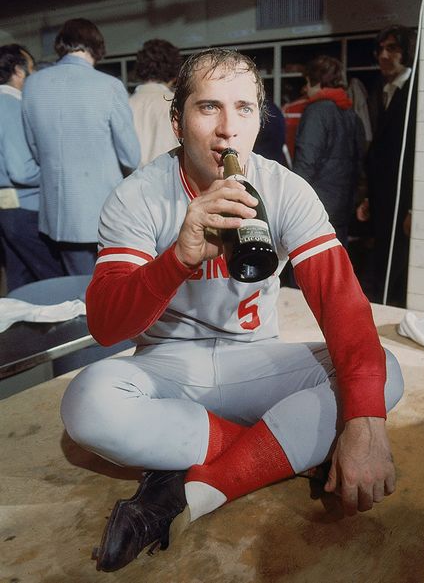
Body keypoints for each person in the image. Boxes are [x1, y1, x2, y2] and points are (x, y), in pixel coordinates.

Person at [60, 47, 404, 573]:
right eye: (208, 108)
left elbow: (342, 304)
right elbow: (107, 326)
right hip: (170, 367)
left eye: (244, 108)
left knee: (386, 375)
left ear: (258, 119)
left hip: (254, 361)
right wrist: (177, 258)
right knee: (85, 402)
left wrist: (365, 422)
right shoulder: (138, 196)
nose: (227, 129)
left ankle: (202, 480)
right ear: (177, 121)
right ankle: (274, 446)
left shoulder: (285, 188)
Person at [22, 18, 140, 276]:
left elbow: (34, 149)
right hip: (103, 211)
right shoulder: (109, 86)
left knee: (76, 288)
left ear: (61, 46)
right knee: (110, 288)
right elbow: (131, 156)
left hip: (59, 213)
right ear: (96, 47)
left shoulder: (32, 85)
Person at [358, 25, 417, 307]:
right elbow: (384, 154)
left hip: (403, 204)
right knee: (384, 262)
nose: (383, 55)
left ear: (407, 51)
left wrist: (413, 207)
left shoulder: (416, 92)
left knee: (400, 273)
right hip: (384, 200)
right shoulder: (384, 90)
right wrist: (371, 196)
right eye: (380, 49)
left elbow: (418, 156)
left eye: (392, 48)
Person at [0, 44, 64, 291]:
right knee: (53, 279)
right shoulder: (13, 106)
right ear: (18, 71)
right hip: (26, 209)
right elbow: (22, 170)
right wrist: (56, 172)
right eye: (32, 67)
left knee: (19, 279)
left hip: (7, 209)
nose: (35, 73)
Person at [292, 56, 365, 248]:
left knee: (307, 261)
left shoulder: (316, 111)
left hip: (316, 204)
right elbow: (360, 160)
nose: (305, 89)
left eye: (307, 82)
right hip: (343, 203)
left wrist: (293, 200)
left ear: (315, 81)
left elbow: (306, 160)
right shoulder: (351, 113)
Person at [129, 38, 182, 166]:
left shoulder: (125, 105)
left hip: (130, 182)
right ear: (175, 75)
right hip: (169, 180)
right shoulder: (178, 103)